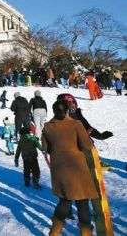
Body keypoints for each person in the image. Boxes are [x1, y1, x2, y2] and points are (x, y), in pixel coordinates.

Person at [42, 100, 97, 235]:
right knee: (82, 202)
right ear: (67, 110)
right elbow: (86, 146)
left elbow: (45, 148)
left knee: (64, 201)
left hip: (59, 168)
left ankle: (54, 232)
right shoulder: (76, 124)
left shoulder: (47, 126)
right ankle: (86, 233)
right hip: (77, 168)